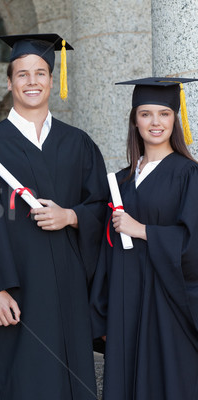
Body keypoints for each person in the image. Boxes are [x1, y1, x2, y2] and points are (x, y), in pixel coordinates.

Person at [0, 34, 109, 399]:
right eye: (22, 74)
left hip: (70, 290)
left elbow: (103, 206)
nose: (32, 82)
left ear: (52, 80)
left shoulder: (78, 143)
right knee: (22, 381)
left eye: (40, 73)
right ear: (9, 82)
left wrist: (71, 216)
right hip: (16, 291)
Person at [90, 77, 198, 399]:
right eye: (146, 114)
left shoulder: (188, 174)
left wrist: (143, 231)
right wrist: (104, 310)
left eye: (164, 114)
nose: (155, 122)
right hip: (126, 303)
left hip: (168, 305)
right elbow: (105, 253)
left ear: (175, 120)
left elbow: (195, 244)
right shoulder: (122, 180)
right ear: (134, 120)